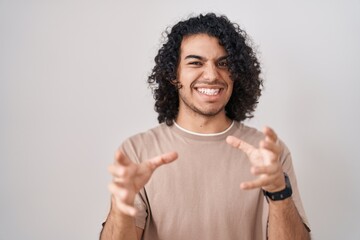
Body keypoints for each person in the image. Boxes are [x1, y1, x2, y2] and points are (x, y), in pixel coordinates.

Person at [100, 13, 311, 240]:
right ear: (173, 74)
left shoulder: (267, 153)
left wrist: (279, 191)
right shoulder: (138, 151)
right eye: (195, 63)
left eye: (223, 63)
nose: (211, 75)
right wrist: (121, 205)